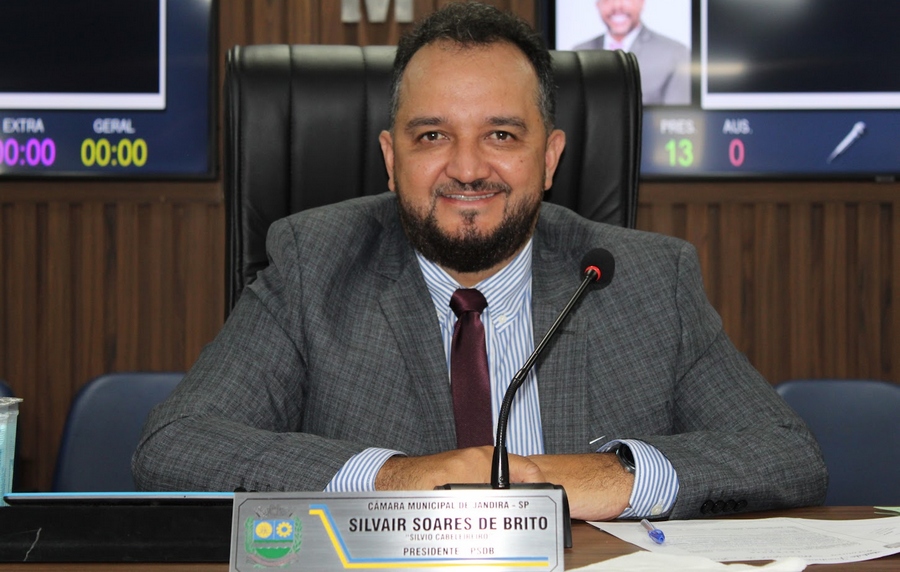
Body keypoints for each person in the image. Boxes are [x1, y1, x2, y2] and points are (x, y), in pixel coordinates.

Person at [132, 2, 825, 521]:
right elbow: (175, 446)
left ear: (549, 158)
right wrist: (392, 478)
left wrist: (614, 477)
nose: (467, 169)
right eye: (433, 135)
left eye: (500, 135)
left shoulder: (645, 280)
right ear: (390, 158)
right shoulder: (313, 265)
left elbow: (786, 453)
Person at [574, 0, 691, 105]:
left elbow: (678, 117)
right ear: (598, 5)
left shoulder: (675, 53)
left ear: (642, 2)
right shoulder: (578, 53)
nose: (617, 6)